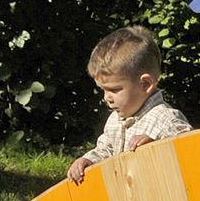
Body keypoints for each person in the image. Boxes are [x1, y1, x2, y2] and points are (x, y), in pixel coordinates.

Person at [67, 25, 191, 184]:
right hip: (127, 196)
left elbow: (190, 155)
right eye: (103, 90)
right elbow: (106, 149)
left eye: (114, 90)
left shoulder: (167, 120)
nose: (107, 98)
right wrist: (88, 160)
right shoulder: (115, 120)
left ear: (145, 84)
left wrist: (158, 147)